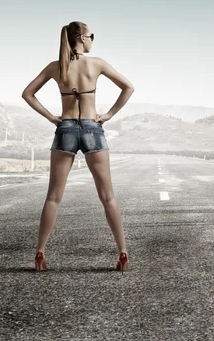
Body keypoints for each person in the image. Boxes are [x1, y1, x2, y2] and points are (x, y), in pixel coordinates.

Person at [21, 21, 135, 274]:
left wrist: (51, 116)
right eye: (91, 35)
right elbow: (129, 87)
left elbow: (27, 94)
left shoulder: (56, 67)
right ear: (82, 38)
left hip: (66, 129)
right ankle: (122, 253)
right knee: (108, 197)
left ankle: (40, 252)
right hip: (93, 129)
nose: (93, 39)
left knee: (53, 197)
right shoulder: (97, 64)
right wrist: (109, 114)